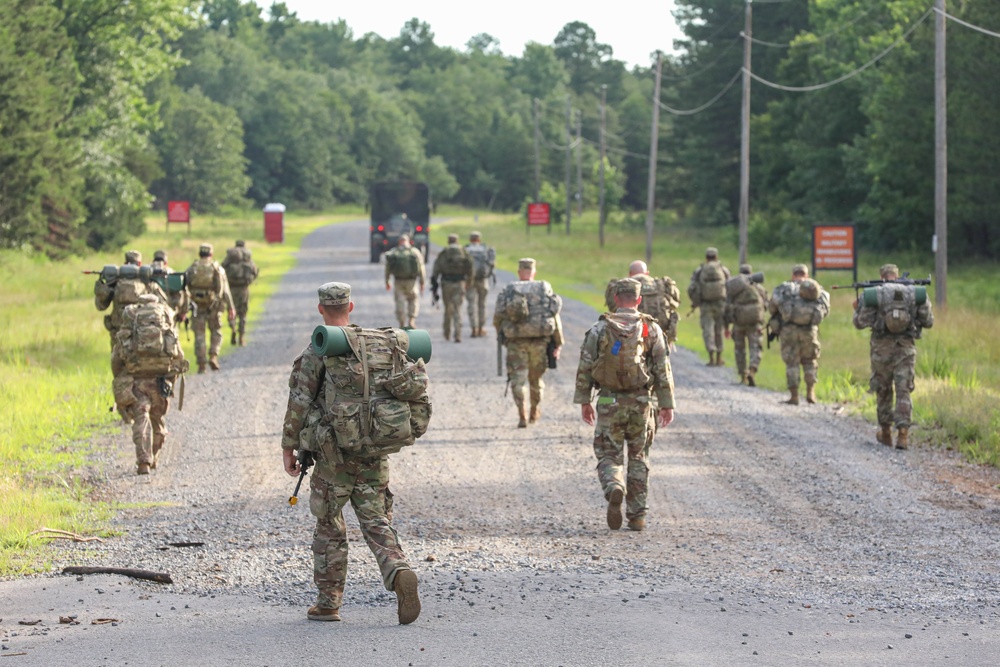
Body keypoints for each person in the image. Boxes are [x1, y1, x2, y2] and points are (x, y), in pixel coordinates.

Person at [280, 282, 425, 625]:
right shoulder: (380, 345)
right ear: (351, 307)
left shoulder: (318, 350)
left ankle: (328, 602)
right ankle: (398, 569)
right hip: (375, 448)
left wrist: (289, 446)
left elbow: (299, 402)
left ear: (320, 310)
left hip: (333, 454)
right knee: (376, 518)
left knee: (329, 524)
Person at [575, 278, 675, 532]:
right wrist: (666, 404)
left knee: (609, 453)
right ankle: (637, 515)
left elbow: (585, 366)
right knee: (639, 456)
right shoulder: (650, 329)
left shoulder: (600, 328)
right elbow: (663, 368)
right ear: (639, 300)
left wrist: (585, 400)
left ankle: (614, 485)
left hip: (609, 400)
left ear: (617, 298)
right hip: (641, 402)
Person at [852, 263, 934, 449]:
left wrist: (857, 308)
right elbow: (928, 321)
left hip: (881, 349)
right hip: (905, 348)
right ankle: (903, 435)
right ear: (897, 276)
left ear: (882, 276)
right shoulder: (915, 293)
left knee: (883, 389)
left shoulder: (874, 294)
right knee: (904, 390)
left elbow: (859, 322)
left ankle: (886, 433)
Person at [110, 294, 188, 474]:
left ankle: (144, 460)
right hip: (159, 381)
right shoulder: (165, 323)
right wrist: (170, 381)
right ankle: (154, 455)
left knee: (141, 417)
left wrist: (120, 378)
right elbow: (179, 357)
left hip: (137, 380)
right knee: (157, 419)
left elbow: (116, 359)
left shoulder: (130, 323)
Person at [493, 258, 564, 427]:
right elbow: (554, 316)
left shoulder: (510, 290)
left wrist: (502, 336)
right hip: (540, 343)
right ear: (533, 272)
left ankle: (521, 414)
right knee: (536, 380)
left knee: (518, 380)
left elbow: (498, 317)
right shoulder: (543, 288)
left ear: (519, 272)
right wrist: (558, 343)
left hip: (516, 343)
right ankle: (534, 411)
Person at [768, 264, 830, 405]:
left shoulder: (784, 288)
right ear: (806, 275)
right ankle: (810, 392)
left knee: (792, 363)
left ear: (793, 274)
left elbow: (772, 308)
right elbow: (825, 309)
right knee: (809, 361)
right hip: (809, 330)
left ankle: (794, 396)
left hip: (789, 330)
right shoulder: (815, 288)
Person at [94, 250, 168, 353]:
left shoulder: (115, 282)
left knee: (118, 360)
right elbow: (164, 306)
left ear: (125, 263)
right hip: (142, 331)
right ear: (139, 264)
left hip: (118, 330)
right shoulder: (148, 283)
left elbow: (100, 306)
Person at [605, 260, 681, 349]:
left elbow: (612, 306)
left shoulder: (621, 287)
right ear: (647, 273)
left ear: (630, 274)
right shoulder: (662, 285)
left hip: (630, 337)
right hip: (659, 334)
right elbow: (675, 303)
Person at [184, 243, 235, 373]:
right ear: (211, 254)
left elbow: (185, 287)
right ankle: (213, 355)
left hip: (197, 306)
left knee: (199, 335)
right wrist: (231, 308)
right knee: (216, 331)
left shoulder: (192, 268)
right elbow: (225, 291)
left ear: (200, 254)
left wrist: (184, 307)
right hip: (214, 307)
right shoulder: (216, 268)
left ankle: (201, 364)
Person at [724, 264, 768, 386]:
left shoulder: (734, 289)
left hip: (739, 322)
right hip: (755, 323)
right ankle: (752, 370)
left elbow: (726, 307)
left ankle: (743, 375)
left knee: (739, 349)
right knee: (755, 347)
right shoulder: (758, 287)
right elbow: (766, 304)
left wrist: (726, 326)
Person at [687, 247, 731, 366]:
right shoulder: (723, 270)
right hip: (720, 303)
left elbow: (692, 287)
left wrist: (695, 301)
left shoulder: (700, 270)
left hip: (706, 304)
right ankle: (719, 357)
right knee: (719, 330)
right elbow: (730, 286)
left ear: (706, 257)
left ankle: (711, 354)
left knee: (708, 330)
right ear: (716, 257)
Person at [431, 233, 473, 342]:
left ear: (448, 241)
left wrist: (434, 282)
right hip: (460, 283)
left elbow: (436, 268)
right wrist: (469, 281)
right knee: (458, 309)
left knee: (448, 308)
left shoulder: (444, 253)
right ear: (457, 241)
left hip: (446, 283)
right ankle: (458, 334)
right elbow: (470, 267)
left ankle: (447, 333)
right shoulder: (463, 252)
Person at [221, 240, 260, 346]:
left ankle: (233, 328)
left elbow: (222, 268)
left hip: (231, 288)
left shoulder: (230, 256)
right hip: (244, 288)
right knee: (242, 313)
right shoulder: (247, 256)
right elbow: (254, 271)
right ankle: (241, 337)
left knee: (231, 310)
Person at [384, 234, 426, 328]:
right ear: (409, 241)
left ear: (399, 242)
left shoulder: (394, 252)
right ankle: (412, 320)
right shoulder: (415, 252)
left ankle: (401, 322)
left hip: (399, 282)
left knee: (400, 301)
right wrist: (422, 282)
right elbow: (421, 268)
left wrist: (387, 281)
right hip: (412, 282)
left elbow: (388, 268)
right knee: (413, 300)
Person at [464, 231, 496, 338]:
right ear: (479, 240)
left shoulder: (466, 250)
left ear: (470, 240)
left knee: (471, 304)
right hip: (483, 280)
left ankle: (474, 328)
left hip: (470, 281)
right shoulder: (485, 249)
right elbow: (491, 264)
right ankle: (481, 328)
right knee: (482, 305)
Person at [150, 249, 190, 327]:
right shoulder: (173, 274)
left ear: (153, 261)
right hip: (170, 312)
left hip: (151, 312)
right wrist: (183, 312)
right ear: (166, 262)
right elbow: (184, 293)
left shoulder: (147, 273)